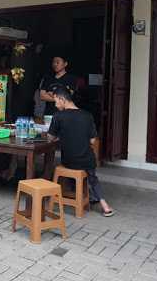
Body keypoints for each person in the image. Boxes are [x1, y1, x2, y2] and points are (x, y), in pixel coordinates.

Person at [48, 86, 115, 217]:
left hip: (69, 161)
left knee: (72, 169)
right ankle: (104, 205)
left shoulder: (58, 116)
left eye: (56, 101)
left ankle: (77, 195)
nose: (56, 105)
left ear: (62, 99)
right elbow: (92, 141)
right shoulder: (87, 115)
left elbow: (51, 137)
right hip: (87, 160)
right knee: (92, 177)